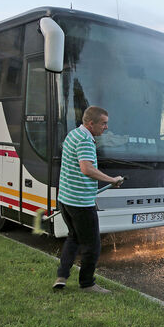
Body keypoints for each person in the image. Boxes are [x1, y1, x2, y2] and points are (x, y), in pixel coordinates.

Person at [53, 106, 124, 293]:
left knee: (73, 237)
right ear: (91, 123)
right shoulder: (85, 140)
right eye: (104, 123)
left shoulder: (74, 134)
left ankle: (62, 276)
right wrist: (112, 180)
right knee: (92, 245)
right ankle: (87, 284)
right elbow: (86, 169)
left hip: (66, 199)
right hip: (80, 203)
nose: (106, 127)